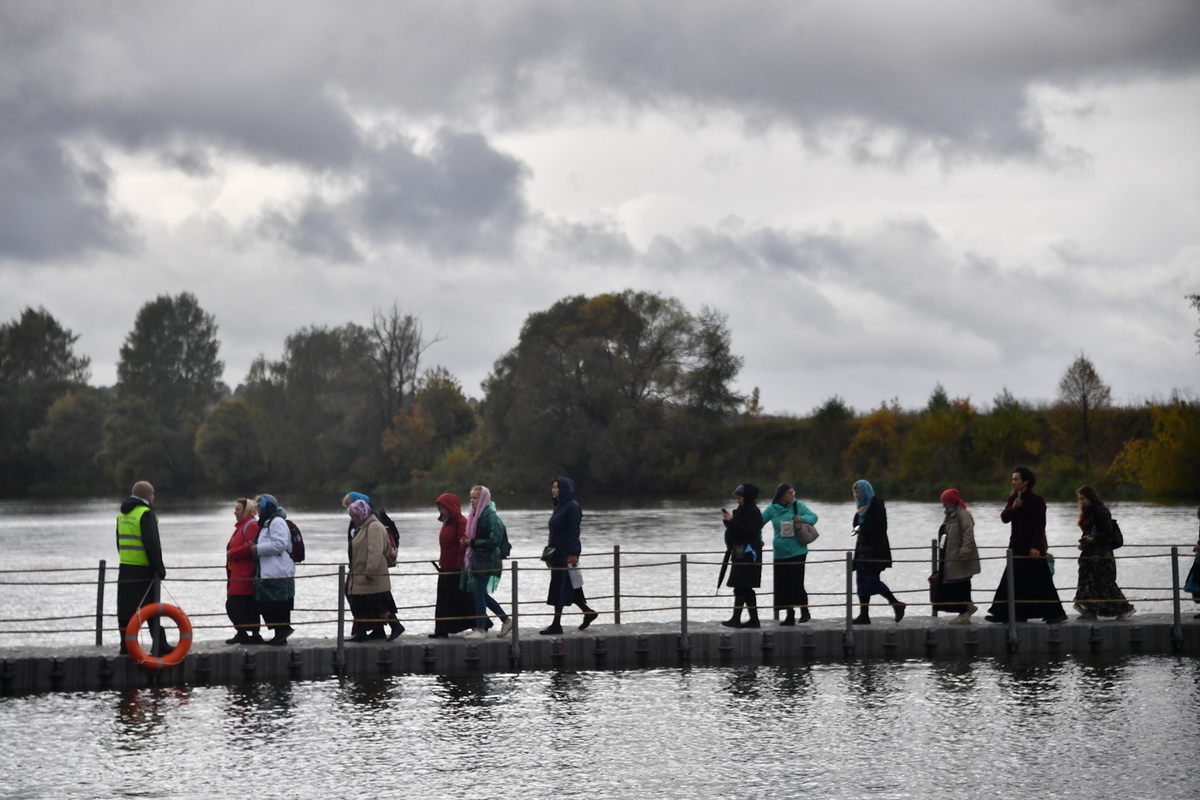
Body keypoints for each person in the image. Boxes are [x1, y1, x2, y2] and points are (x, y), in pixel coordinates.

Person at [985, 468, 1068, 624]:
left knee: (1041, 580)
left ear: (1026, 482)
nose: (1013, 482)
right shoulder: (1013, 499)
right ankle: (1007, 613)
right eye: (1013, 479)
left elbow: (1039, 525)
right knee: (1012, 579)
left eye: (1016, 479)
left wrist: (1036, 547)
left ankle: (1055, 613)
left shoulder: (1037, 500)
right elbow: (1004, 518)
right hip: (1016, 546)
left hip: (1033, 547)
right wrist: (1013, 508)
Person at [116, 481, 168, 655]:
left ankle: (125, 645)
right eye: (152, 495)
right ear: (147, 495)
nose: (154, 497)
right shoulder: (145, 513)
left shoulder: (122, 515)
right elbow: (152, 544)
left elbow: (119, 542)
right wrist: (159, 569)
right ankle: (159, 644)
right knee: (151, 606)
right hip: (144, 568)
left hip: (125, 567)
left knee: (125, 608)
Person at [542, 477, 598, 634]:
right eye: (552, 487)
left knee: (560, 587)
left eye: (556, 487)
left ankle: (556, 624)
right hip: (557, 553)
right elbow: (554, 533)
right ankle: (588, 612)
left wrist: (574, 553)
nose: (553, 490)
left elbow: (574, 532)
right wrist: (549, 555)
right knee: (570, 586)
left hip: (566, 553)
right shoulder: (560, 507)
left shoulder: (571, 507)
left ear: (564, 489)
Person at [341, 492, 401, 639]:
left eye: (354, 516)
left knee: (377, 605)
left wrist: (370, 571)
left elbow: (375, 551)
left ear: (361, 513)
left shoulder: (373, 527)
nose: (353, 519)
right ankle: (361, 632)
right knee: (360, 605)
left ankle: (396, 626)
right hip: (359, 573)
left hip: (369, 574)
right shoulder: (362, 527)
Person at [1073, 485, 1134, 620]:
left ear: (1090, 497)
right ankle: (1090, 609)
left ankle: (1123, 608)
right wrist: (1084, 542)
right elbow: (1088, 530)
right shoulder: (1088, 511)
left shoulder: (1101, 511)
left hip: (1101, 552)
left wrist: (1093, 539)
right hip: (1090, 551)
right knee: (1087, 580)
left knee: (1103, 581)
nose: (1080, 502)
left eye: (1082, 499)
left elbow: (1107, 532)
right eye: (1079, 499)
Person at [761, 483, 818, 625]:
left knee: (796, 582)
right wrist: (758, 538)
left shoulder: (798, 505)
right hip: (780, 553)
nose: (792, 496)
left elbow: (814, 517)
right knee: (783, 584)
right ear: (781, 495)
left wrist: (802, 519)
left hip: (797, 550)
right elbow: (758, 523)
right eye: (789, 493)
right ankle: (789, 615)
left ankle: (804, 611)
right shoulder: (772, 509)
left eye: (793, 492)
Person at [459, 485, 512, 639]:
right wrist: (468, 542)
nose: (472, 501)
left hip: (488, 561)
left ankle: (481, 629)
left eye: (475, 498)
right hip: (477, 559)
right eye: (471, 497)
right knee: (480, 593)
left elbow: (494, 540)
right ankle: (506, 620)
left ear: (483, 499)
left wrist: (472, 543)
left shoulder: (490, 517)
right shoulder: (476, 515)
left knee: (479, 594)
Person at [851, 479, 905, 624]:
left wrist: (863, 529)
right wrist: (857, 515)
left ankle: (896, 603)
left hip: (875, 550)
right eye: (855, 493)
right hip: (862, 549)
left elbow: (881, 527)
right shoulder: (862, 506)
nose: (856, 495)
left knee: (871, 580)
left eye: (858, 492)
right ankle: (864, 614)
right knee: (861, 581)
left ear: (865, 491)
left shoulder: (876, 504)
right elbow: (855, 524)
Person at [251, 494, 296, 645]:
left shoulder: (276, 522)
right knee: (269, 604)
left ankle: (282, 631)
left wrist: (258, 548)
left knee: (277, 604)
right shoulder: (267, 523)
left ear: (266, 508)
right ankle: (279, 632)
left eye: (259, 507)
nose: (257, 510)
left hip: (278, 570)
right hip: (270, 569)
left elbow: (280, 544)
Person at [430, 493, 475, 638]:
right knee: (443, 599)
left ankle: (478, 625)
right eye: (440, 508)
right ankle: (441, 629)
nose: (441, 511)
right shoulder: (446, 522)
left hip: (456, 567)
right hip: (445, 565)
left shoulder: (461, 522)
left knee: (461, 599)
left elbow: (462, 545)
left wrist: (458, 565)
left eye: (444, 507)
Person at [933, 489, 980, 625]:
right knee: (955, 584)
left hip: (959, 558)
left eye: (946, 504)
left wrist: (964, 553)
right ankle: (967, 608)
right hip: (950, 557)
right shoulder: (951, 516)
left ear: (953, 502)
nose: (944, 507)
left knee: (961, 584)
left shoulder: (963, 515)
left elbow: (968, 534)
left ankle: (963, 613)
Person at [721, 484, 764, 628]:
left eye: (739, 498)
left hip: (749, 554)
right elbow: (737, 530)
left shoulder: (754, 512)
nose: (737, 501)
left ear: (747, 497)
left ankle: (738, 618)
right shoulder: (739, 511)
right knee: (741, 586)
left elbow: (749, 532)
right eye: (736, 498)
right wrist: (728, 522)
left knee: (742, 586)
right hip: (739, 552)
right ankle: (752, 619)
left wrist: (733, 521)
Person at [225, 497, 264, 644]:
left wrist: (233, 553)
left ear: (246, 510)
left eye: (238, 509)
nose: (235, 512)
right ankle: (243, 632)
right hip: (236, 571)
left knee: (237, 603)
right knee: (238, 603)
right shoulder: (241, 526)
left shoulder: (251, 525)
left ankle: (252, 633)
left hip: (246, 571)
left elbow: (251, 547)